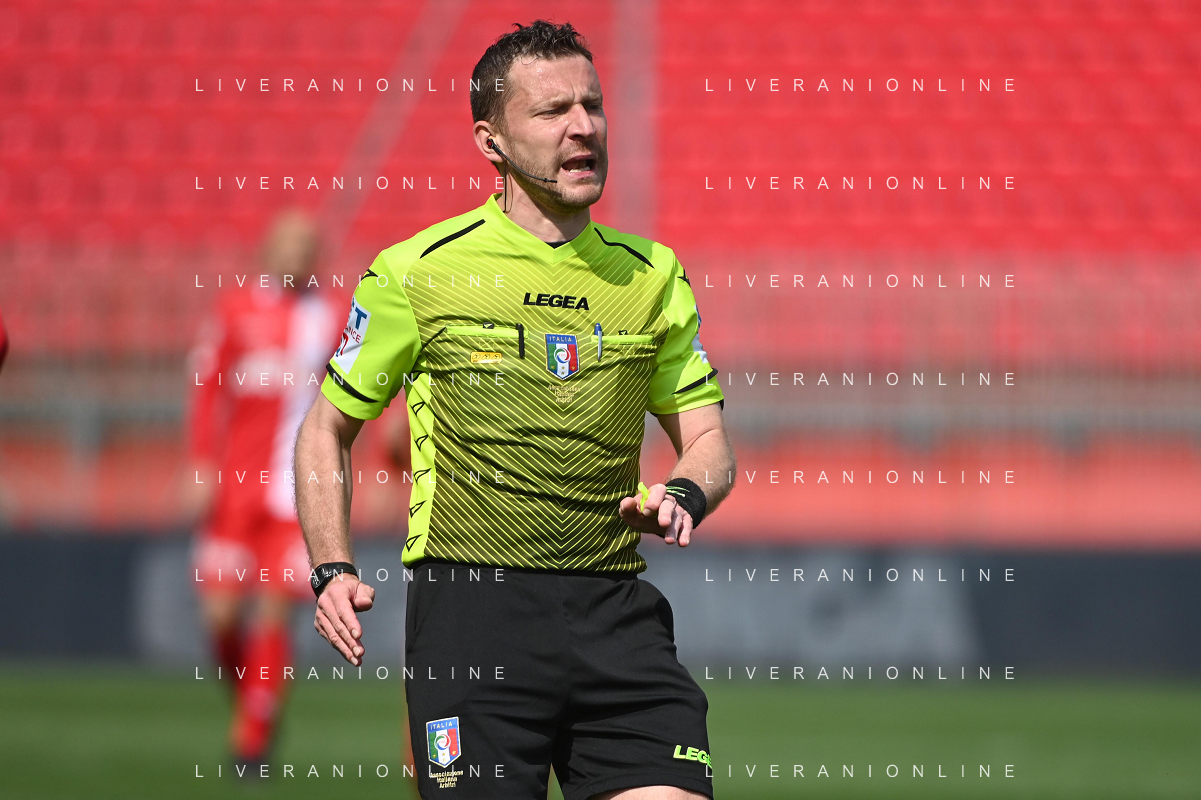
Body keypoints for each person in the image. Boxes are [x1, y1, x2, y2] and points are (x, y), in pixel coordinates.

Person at [295, 20, 736, 800]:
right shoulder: (416, 271)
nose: (583, 126)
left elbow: (709, 443)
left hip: (616, 616)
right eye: (553, 110)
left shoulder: (652, 276)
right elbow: (326, 429)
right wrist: (332, 566)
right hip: (471, 620)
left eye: (592, 105)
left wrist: (682, 492)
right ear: (490, 141)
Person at [187, 209, 343, 773]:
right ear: (269, 249)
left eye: (308, 245)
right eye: (290, 243)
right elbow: (207, 389)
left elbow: (354, 401)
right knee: (222, 618)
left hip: (296, 496)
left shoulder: (331, 316)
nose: (298, 254)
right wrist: (200, 463)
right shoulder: (234, 311)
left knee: (276, 612)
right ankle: (256, 703)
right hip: (234, 491)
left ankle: (251, 743)